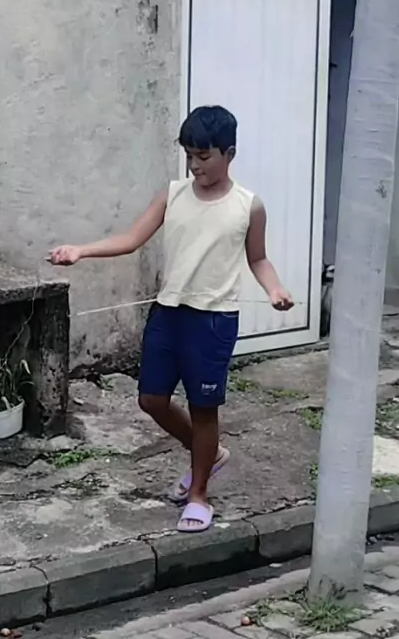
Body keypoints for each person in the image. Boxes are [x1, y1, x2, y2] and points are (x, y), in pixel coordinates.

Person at [48, 105, 293, 533]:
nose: (195, 165)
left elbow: (258, 258)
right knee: (151, 400)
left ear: (229, 153)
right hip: (168, 313)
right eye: (189, 156)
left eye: (204, 156)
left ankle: (198, 494)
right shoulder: (173, 195)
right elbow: (131, 239)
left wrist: (274, 289)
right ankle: (210, 455)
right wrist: (81, 251)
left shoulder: (248, 206)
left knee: (204, 409)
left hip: (213, 321)